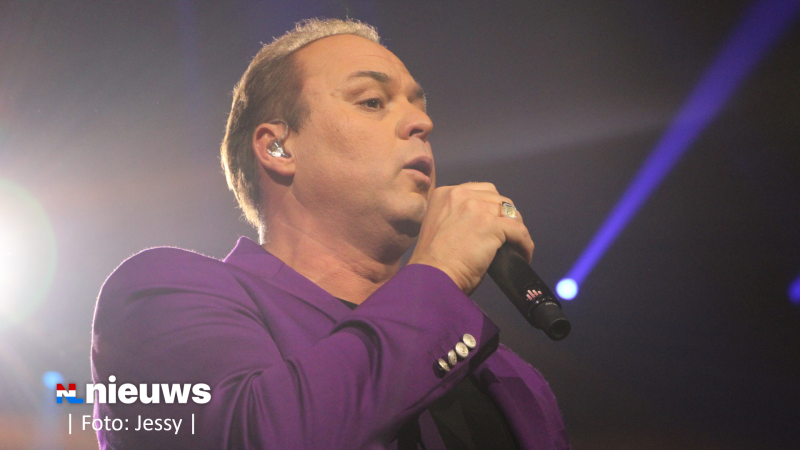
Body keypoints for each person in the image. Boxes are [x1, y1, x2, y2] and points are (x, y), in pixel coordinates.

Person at [91, 18, 570, 450]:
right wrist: (441, 273)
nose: (422, 122)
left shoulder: (510, 375)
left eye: (419, 106)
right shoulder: (159, 294)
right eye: (372, 101)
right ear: (278, 147)